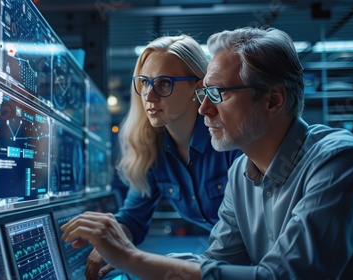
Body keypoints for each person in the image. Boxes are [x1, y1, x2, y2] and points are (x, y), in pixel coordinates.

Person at [61, 26, 353, 279]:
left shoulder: (340, 160)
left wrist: (134, 259)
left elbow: (287, 276)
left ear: (272, 101)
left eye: (218, 94)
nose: (204, 108)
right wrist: (133, 267)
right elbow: (217, 262)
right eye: (204, 94)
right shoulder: (241, 173)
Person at [85, 34, 242, 279]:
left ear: (198, 87)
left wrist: (137, 262)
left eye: (164, 83)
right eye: (145, 82)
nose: (149, 95)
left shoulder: (230, 142)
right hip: (219, 258)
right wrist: (110, 243)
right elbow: (132, 217)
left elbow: (240, 240)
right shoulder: (153, 150)